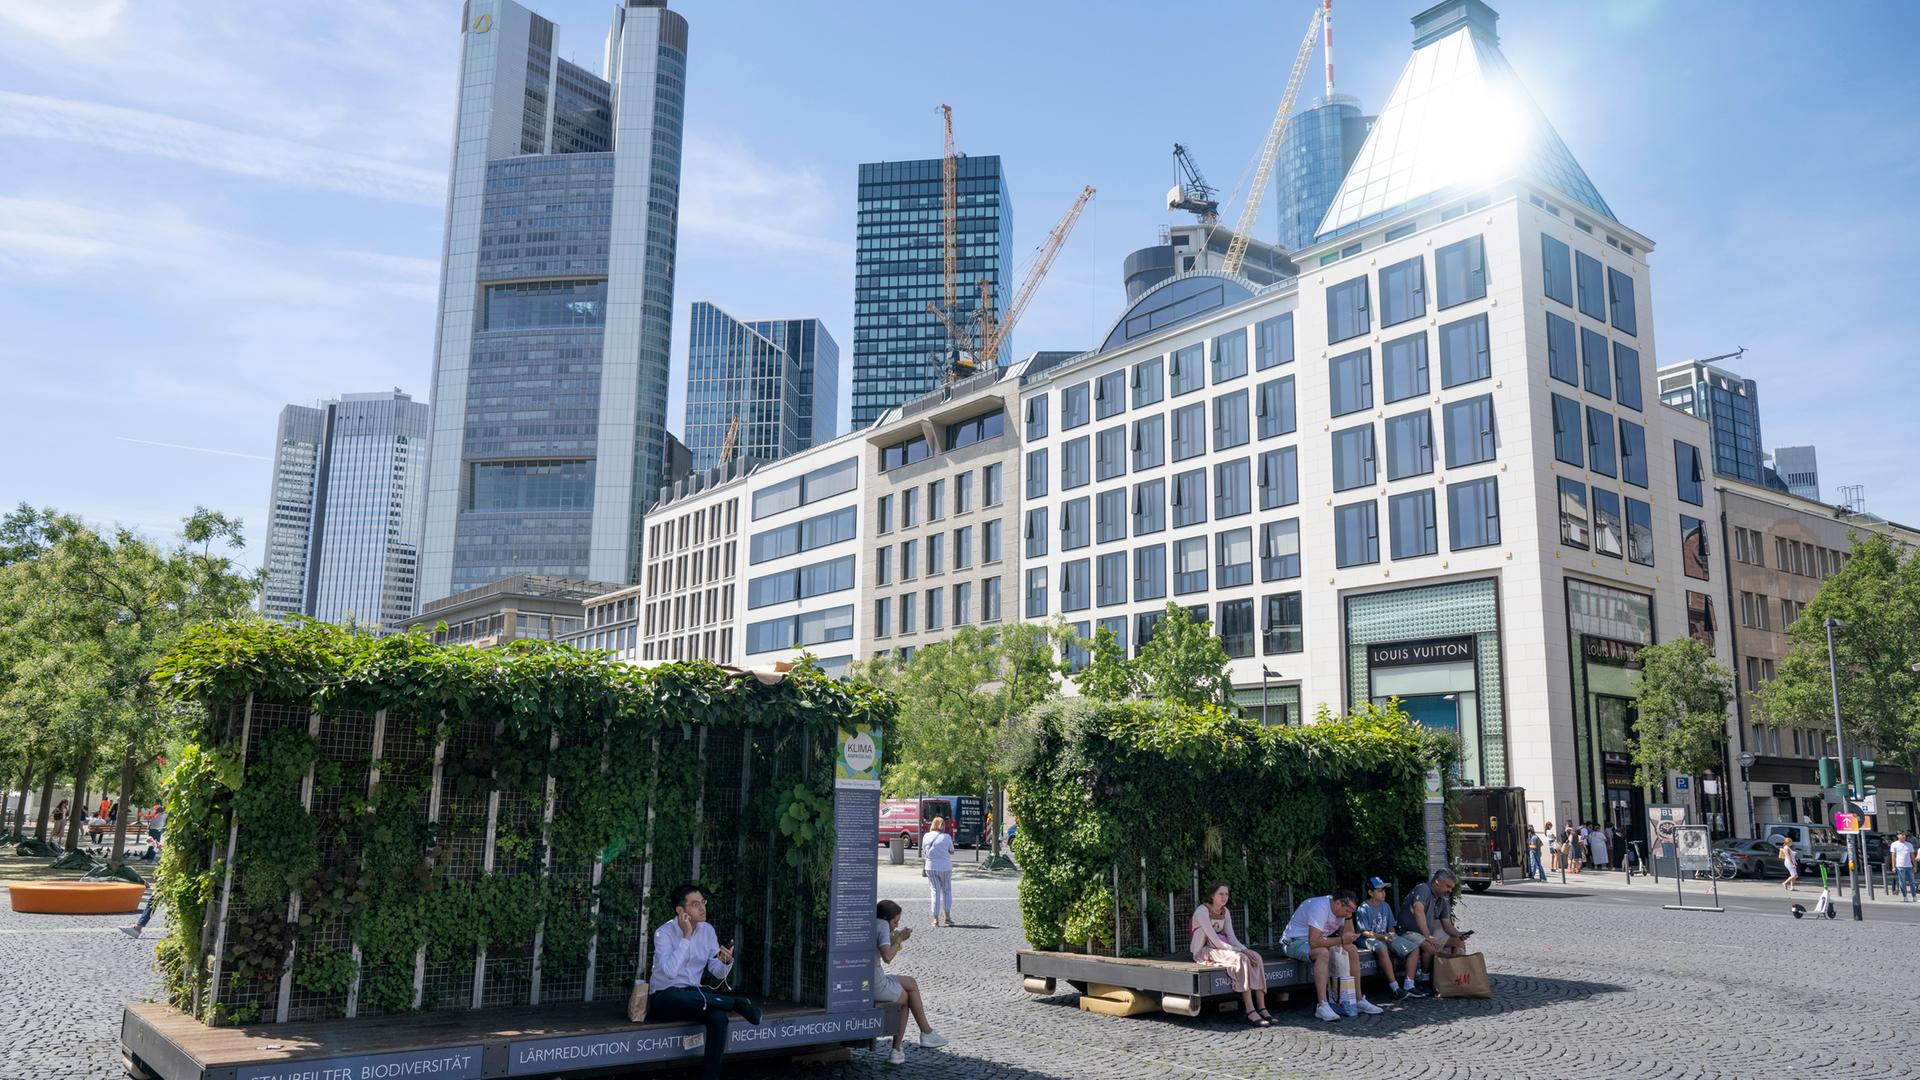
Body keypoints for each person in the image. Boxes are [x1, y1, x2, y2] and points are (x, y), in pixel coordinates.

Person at [645, 884, 763, 1080]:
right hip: (665, 998)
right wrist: (687, 936)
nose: (702, 908)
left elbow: (716, 972)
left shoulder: (708, 931)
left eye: (703, 902)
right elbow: (670, 972)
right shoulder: (663, 933)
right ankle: (736, 1003)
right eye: (695, 904)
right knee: (676, 994)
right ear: (681, 911)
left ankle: (711, 1076)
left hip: (695, 996)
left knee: (719, 1017)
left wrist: (725, 961)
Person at [1282, 888, 1381, 1021]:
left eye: (1351, 912)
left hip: (1316, 940)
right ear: (1338, 904)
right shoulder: (1320, 907)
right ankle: (1322, 1005)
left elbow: (1348, 936)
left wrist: (1348, 917)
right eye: (1347, 911)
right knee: (1322, 952)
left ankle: (1357, 999)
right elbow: (1315, 941)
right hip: (1294, 941)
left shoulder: (1343, 911)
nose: (1348, 914)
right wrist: (1341, 940)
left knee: (1351, 949)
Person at [871, 899, 949, 1063]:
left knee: (911, 983)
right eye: (895, 922)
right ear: (886, 918)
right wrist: (899, 940)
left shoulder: (873, 922)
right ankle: (900, 1048)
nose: (895, 925)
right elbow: (887, 957)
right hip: (876, 983)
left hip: (871, 978)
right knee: (905, 999)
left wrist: (896, 937)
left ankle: (925, 1033)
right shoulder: (883, 926)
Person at [1190, 883, 1272, 1026]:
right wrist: (1241, 951)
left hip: (1222, 948)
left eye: (1226, 894)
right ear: (1212, 896)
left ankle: (1262, 1007)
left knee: (1256, 957)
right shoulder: (1202, 911)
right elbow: (1215, 941)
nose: (1224, 897)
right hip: (1205, 950)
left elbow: (1231, 937)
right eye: (1221, 894)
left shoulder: (1225, 912)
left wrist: (1246, 949)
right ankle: (1250, 1009)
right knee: (1242, 959)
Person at [1398, 869, 1466, 991]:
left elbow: (1447, 925)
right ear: (1437, 881)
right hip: (1408, 932)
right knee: (1430, 946)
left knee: (1458, 942)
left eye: (1451, 888)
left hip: (1425, 933)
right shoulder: (1423, 889)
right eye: (1448, 886)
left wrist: (1459, 934)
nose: (1450, 890)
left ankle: (1456, 977)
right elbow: (1418, 911)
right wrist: (1428, 936)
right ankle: (1425, 980)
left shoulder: (1442, 898)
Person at [1354, 876, 1421, 999]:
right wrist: (1383, 937)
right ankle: (1395, 987)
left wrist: (1391, 935)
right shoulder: (1363, 908)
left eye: (1384, 890)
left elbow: (1391, 926)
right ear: (1370, 892)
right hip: (1368, 939)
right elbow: (1364, 932)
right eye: (1379, 891)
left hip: (1385, 936)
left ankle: (1409, 984)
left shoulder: (1385, 906)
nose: (1383, 893)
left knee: (1414, 949)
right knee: (1382, 948)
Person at [922, 815, 955, 927]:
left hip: (930, 867)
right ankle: (947, 917)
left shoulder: (926, 836)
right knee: (946, 891)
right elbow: (951, 851)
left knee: (934, 892)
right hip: (945, 867)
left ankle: (935, 919)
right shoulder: (947, 837)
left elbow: (924, 851)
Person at [1887, 831, 1914, 902]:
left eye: (1904, 835)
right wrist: (1893, 866)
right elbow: (1893, 856)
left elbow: (1912, 856)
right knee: (1902, 882)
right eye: (1902, 835)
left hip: (1909, 866)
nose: (1904, 836)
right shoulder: (1894, 844)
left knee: (1912, 882)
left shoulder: (1909, 844)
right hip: (1900, 866)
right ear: (1898, 836)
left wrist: (1915, 866)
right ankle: (1905, 897)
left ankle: (1914, 897)